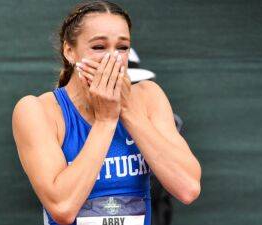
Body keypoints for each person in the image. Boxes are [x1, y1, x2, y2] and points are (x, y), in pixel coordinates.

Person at [11, 1, 201, 225]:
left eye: (122, 48)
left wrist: (127, 110)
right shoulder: (38, 111)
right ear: (69, 51)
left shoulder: (148, 97)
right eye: (99, 47)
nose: (112, 58)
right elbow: (62, 208)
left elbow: (188, 188)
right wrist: (106, 121)